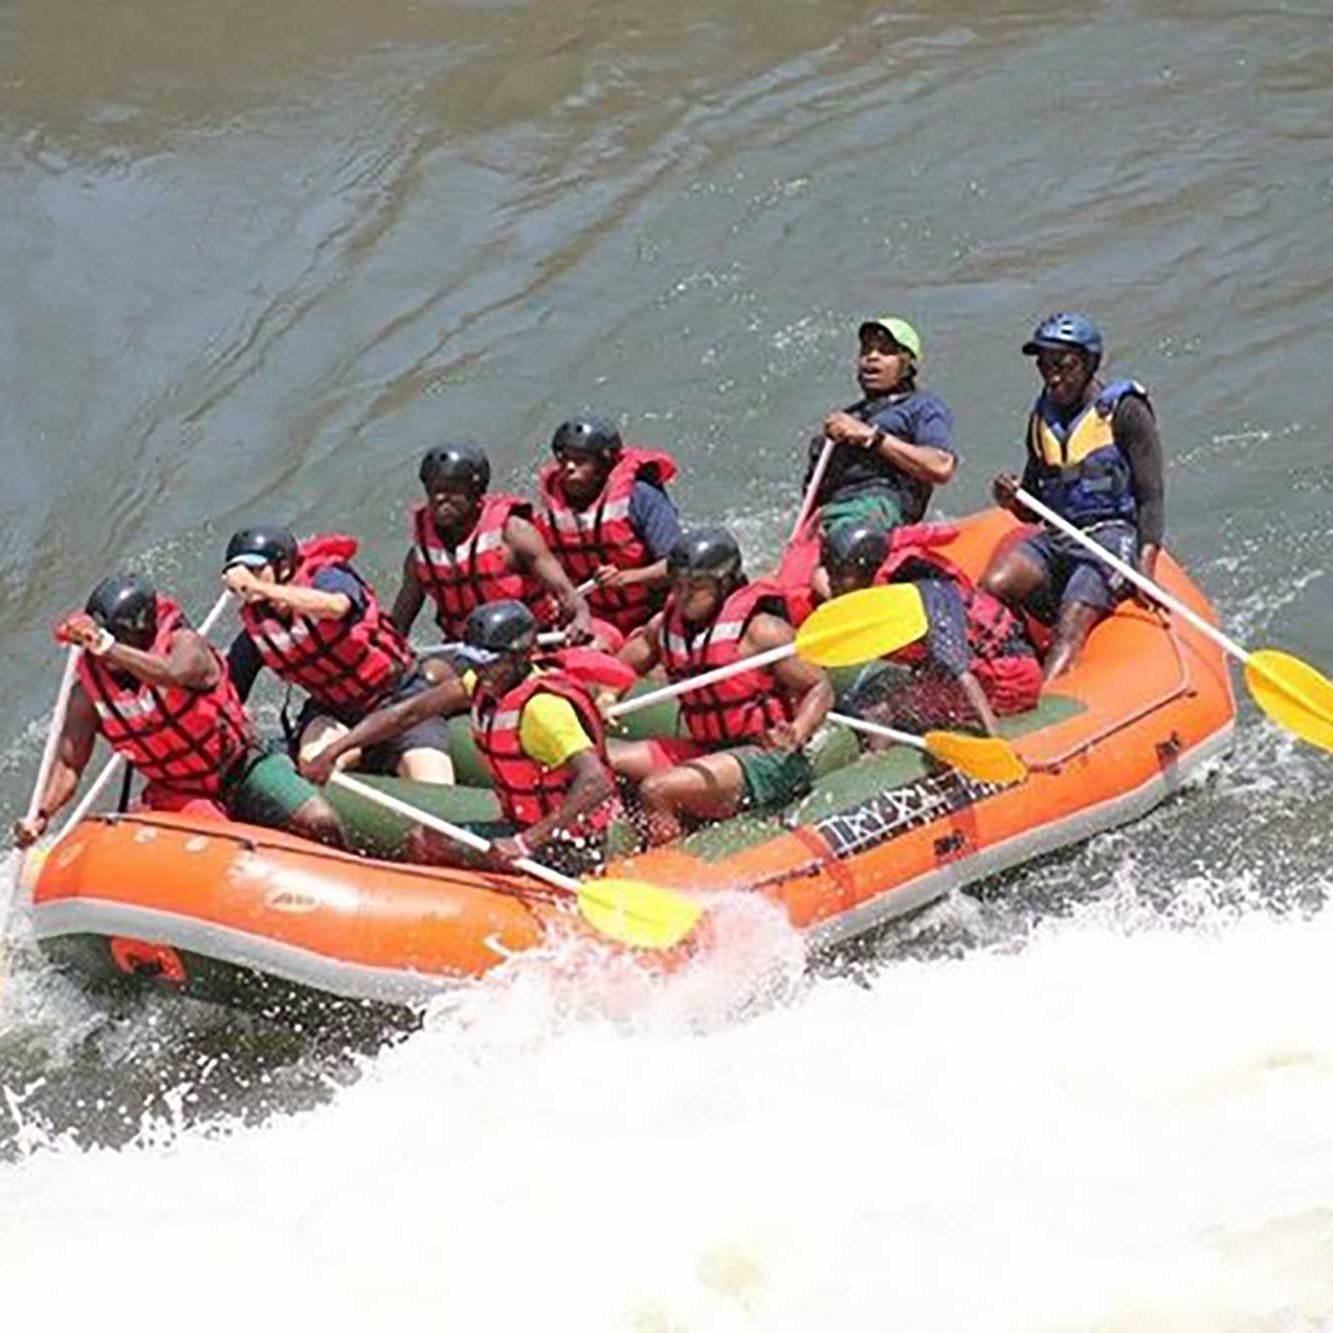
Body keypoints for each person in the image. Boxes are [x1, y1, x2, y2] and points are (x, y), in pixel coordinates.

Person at [12, 574, 343, 848]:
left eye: (113, 638)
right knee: (222, 850)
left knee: (319, 820)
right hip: (181, 791)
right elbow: (69, 764)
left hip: (243, 768)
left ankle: (350, 877)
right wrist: (42, 814)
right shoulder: (87, 695)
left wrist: (108, 647)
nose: (101, 656)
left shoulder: (187, 646)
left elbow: (172, 673)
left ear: (138, 632)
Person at [301, 601, 622, 875]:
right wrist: (336, 749)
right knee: (424, 839)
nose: (479, 672)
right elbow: (407, 713)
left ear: (519, 657)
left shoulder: (543, 709)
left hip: (567, 843)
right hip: (524, 827)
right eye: (473, 662)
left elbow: (597, 782)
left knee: (425, 841)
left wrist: (527, 842)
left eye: (487, 664)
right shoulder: (482, 683)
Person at [610, 528, 833, 846]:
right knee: (610, 762)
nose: (684, 595)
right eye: (679, 585)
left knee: (656, 789)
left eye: (696, 586)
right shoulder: (663, 626)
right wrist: (605, 697)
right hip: (708, 748)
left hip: (766, 755)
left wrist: (799, 729)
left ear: (724, 584)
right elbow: (618, 670)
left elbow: (819, 687)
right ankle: (629, 844)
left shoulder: (761, 632)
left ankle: (670, 866)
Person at [982, 313, 1165, 680]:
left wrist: (1145, 570)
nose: (1053, 376)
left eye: (1064, 366)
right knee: (993, 586)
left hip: (1112, 538)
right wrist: (1012, 499)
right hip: (1058, 537)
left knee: (1070, 625)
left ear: (1088, 362)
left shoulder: (1125, 410)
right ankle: (1015, 667)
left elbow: (1151, 496)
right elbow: (1033, 507)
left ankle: (1047, 716)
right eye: (1045, 366)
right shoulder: (1041, 419)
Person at [222, 526, 455, 782]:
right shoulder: (257, 635)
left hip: (401, 697)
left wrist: (261, 588)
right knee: (312, 763)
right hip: (336, 712)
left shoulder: (329, 576)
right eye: (244, 574)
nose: (249, 581)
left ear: (284, 567)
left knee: (434, 781)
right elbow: (229, 691)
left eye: (257, 570)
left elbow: (337, 606)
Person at [814, 522, 1042, 737]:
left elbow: (961, 672)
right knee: (877, 690)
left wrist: (994, 737)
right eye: (831, 573)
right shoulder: (884, 588)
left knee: (879, 708)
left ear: (867, 570)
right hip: (983, 669)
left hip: (1008, 680)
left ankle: (876, 764)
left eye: (841, 575)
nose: (833, 583)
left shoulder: (924, 597)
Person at [391, 442, 596, 647]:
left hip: (531, 644)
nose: (440, 498)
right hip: (468, 652)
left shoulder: (515, 534)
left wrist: (580, 618)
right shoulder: (421, 555)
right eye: (433, 491)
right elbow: (400, 622)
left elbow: (566, 594)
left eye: (452, 491)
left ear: (475, 491)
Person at [532, 416, 682, 644]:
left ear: (603, 465)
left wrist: (627, 578)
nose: (569, 467)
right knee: (591, 651)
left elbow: (677, 565)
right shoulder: (551, 507)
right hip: (595, 617)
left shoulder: (641, 497)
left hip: (651, 611)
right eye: (564, 459)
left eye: (581, 460)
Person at [803, 316, 957, 536]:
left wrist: (874, 438)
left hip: (881, 506)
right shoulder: (847, 418)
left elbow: (941, 467)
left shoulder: (922, 407)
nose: (871, 357)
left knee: (850, 536)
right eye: (866, 350)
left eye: (885, 351)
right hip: (832, 512)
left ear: (907, 363)